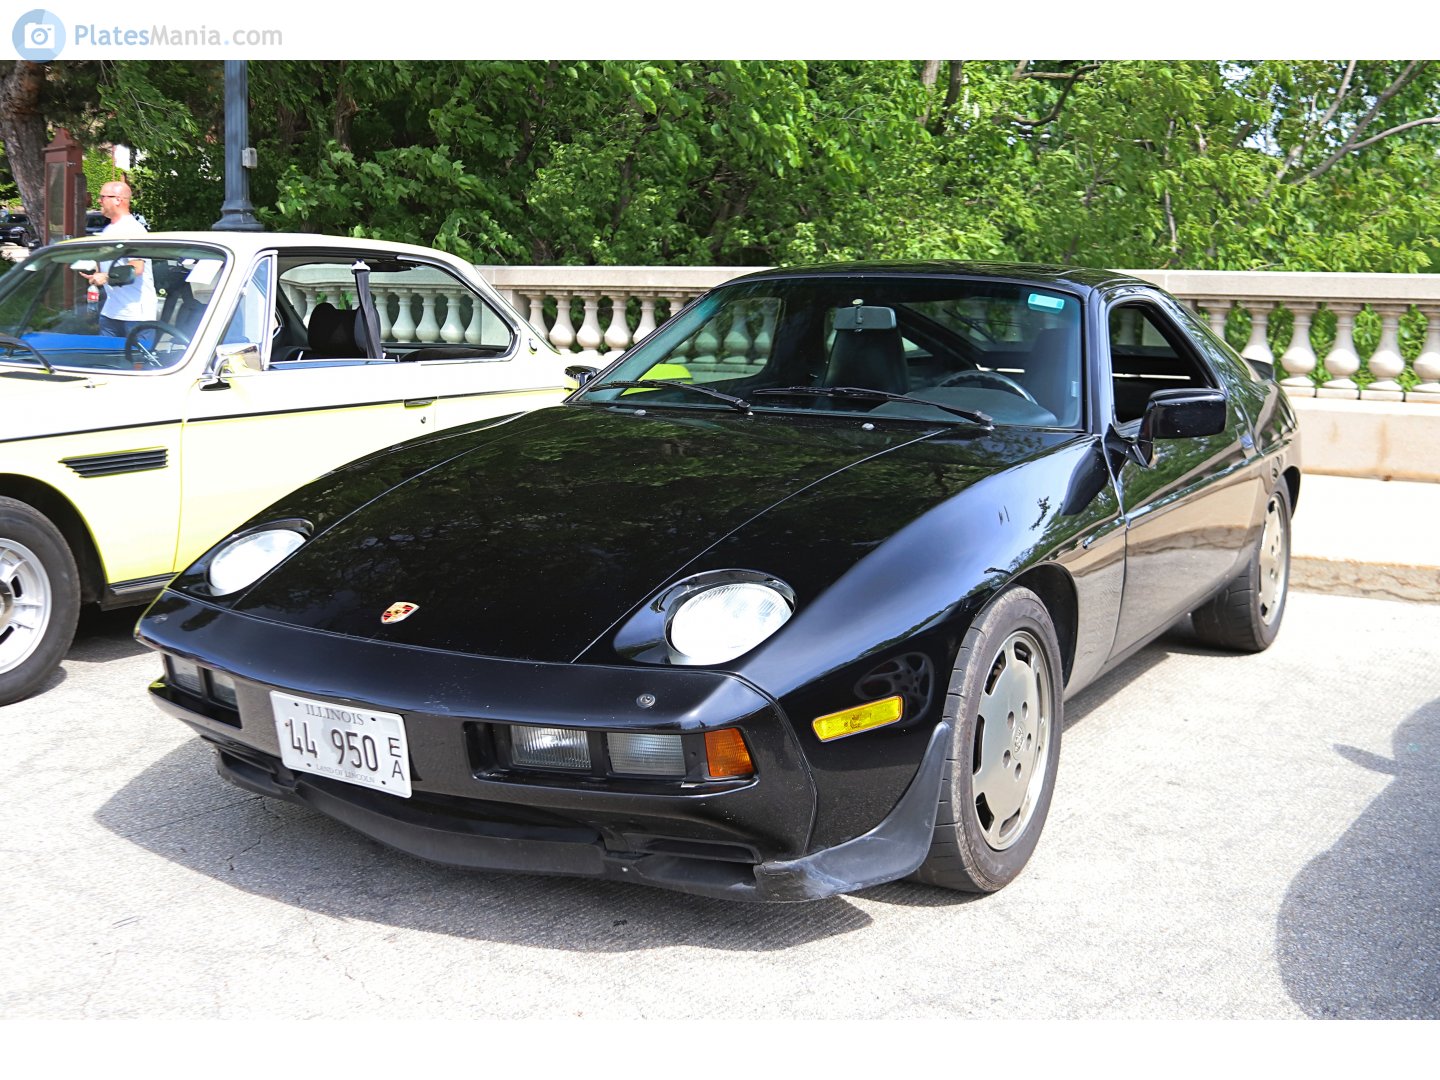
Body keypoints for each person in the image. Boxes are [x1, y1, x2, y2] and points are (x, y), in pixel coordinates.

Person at [84, 181, 156, 341]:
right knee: (108, 362)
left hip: (136, 314)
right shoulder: (109, 229)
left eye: (102, 197)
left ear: (118, 199)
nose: (99, 201)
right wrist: (95, 271)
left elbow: (136, 268)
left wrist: (106, 277)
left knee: (138, 364)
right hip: (111, 311)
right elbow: (109, 263)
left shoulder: (133, 229)